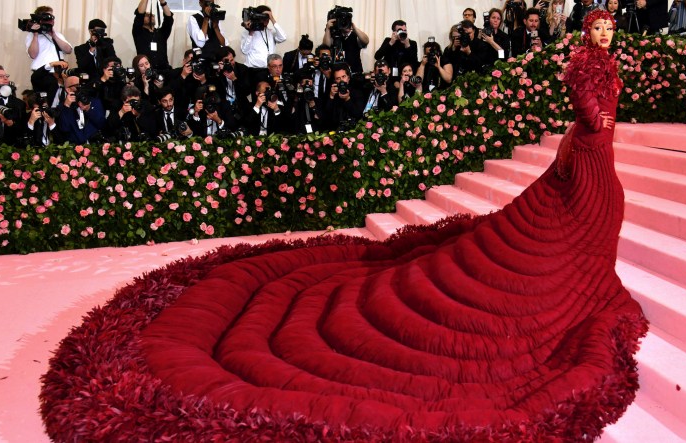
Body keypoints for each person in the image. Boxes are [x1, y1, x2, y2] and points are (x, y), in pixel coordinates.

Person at [130, 10, 647, 440]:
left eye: (607, 28)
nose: (604, 35)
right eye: (597, 28)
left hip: (595, 147)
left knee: (600, 209)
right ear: (586, 33)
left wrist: (598, 127)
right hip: (591, 145)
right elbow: (584, 103)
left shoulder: (601, 59)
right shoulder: (584, 62)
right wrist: (595, 123)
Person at [25, 6, 73, 93]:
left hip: (58, 74)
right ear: (40, 19)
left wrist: (54, 35)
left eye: (52, 17)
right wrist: (35, 34)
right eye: (47, 17)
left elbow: (68, 50)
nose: (51, 19)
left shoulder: (58, 35)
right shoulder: (31, 36)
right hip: (41, 74)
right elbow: (33, 54)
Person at [56, 75, 106, 144]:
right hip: (73, 148)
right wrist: (67, 106)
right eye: (77, 86)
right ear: (68, 89)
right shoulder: (63, 107)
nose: (81, 88)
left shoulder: (94, 101)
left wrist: (89, 110)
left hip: (95, 145)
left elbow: (102, 124)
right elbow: (65, 129)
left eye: (82, 85)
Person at [240, 5, 287, 72]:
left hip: (269, 70)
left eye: (268, 18)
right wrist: (251, 33)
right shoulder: (247, 32)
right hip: (253, 70)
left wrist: (272, 19)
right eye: (264, 17)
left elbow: (283, 38)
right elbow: (245, 51)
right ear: (258, 16)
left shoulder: (270, 32)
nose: (266, 20)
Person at [322, 8, 370, 73]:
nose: (345, 24)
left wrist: (354, 28)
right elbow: (326, 46)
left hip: (355, 73)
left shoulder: (355, 35)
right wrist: (328, 29)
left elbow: (366, 41)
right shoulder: (335, 35)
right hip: (338, 74)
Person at [133, 0, 174, 72]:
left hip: (164, 70)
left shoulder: (161, 33)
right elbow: (139, 14)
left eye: (152, 15)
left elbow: (169, 18)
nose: (151, 16)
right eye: (147, 15)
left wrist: (163, 2)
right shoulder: (138, 32)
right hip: (146, 71)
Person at [323, 63, 365, 130]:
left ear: (348, 78)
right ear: (335, 81)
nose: (341, 81)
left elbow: (358, 114)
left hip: (353, 130)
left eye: (343, 76)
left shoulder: (357, 92)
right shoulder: (332, 92)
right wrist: (331, 96)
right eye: (338, 78)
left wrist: (347, 99)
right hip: (334, 130)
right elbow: (326, 117)